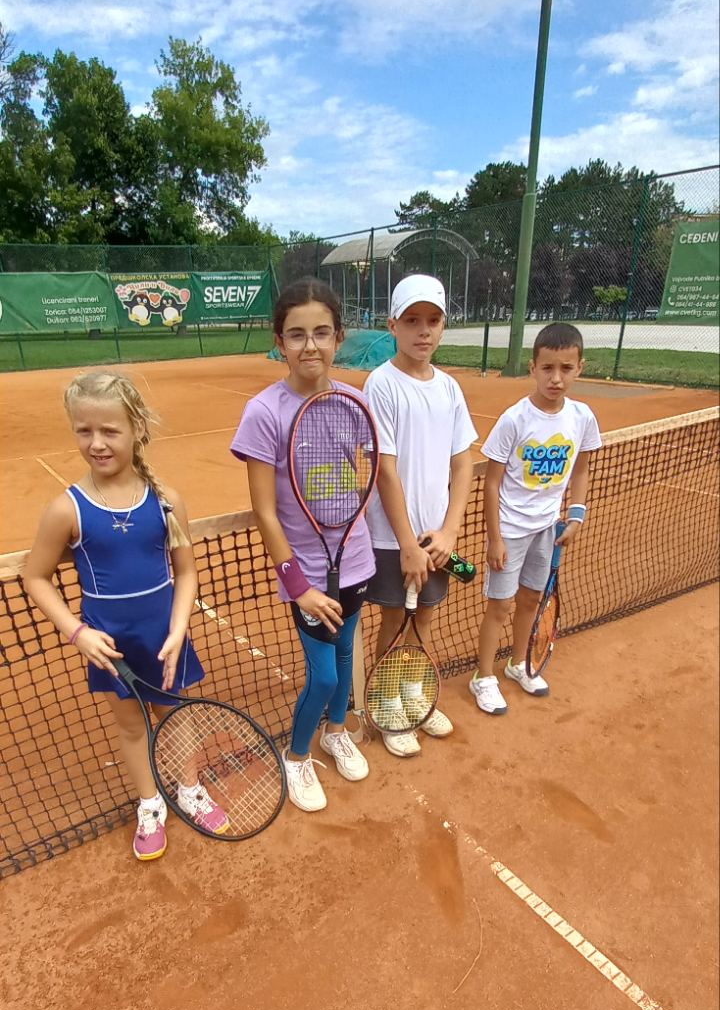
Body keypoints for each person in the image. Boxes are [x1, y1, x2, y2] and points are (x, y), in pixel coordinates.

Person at [23, 370, 228, 862]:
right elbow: (36, 577)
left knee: (175, 716)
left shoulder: (166, 501)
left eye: (109, 430)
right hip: (109, 645)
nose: (96, 443)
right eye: (84, 430)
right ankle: (150, 803)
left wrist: (179, 628)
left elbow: (186, 573)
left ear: (136, 428)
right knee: (133, 727)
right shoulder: (66, 509)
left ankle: (190, 789)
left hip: (164, 638)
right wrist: (78, 634)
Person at [231, 279, 374, 813]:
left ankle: (335, 732)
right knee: (326, 673)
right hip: (306, 575)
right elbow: (265, 512)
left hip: (355, 560)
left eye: (321, 332)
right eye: (296, 334)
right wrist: (298, 586)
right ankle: (295, 757)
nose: (309, 345)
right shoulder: (264, 412)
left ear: (338, 337)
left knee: (345, 653)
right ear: (279, 342)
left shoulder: (355, 402)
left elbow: (359, 480)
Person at [363, 273, 476, 757]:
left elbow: (463, 463)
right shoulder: (381, 385)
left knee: (425, 618)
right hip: (394, 539)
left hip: (436, 539)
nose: (423, 330)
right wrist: (407, 544)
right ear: (393, 325)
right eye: (411, 320)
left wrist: (449, 532)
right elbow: (385, 471)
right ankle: (387, 703)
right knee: (394, 621)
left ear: (443, 326)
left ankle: (414, 693)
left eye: (433, 320)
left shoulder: (449, 388)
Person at [469, 323, 602, 714]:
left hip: (547, 528)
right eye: (547, 368)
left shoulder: (582, 417)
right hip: (510, 532)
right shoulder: (515, 419)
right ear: (533, 368)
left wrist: (576, 515)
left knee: (530, 599)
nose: (556, 378)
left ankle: (518, 664)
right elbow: (492, 483)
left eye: (566, 368)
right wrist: (495, 539)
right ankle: (483, 677)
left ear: (580, 368)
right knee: (499, 606)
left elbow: (580, 470)